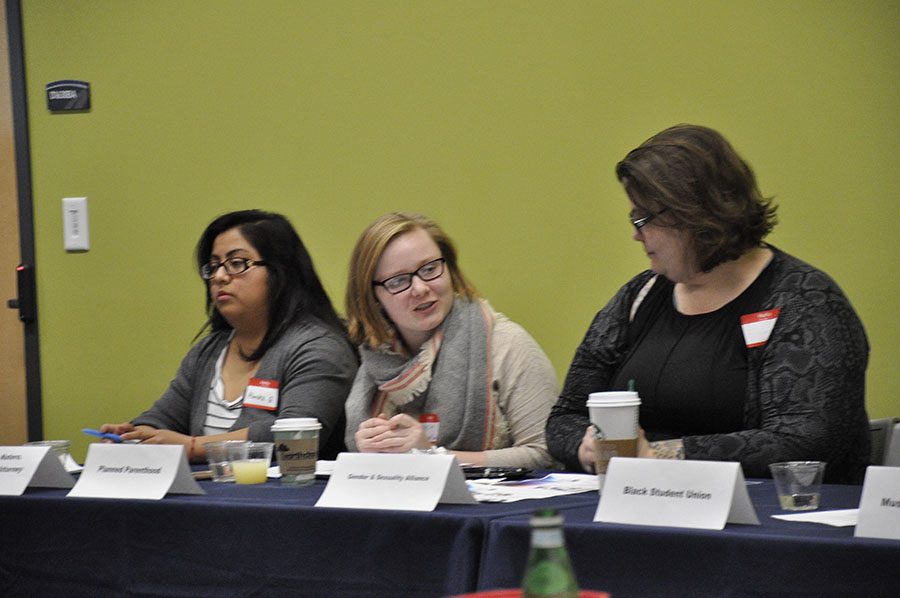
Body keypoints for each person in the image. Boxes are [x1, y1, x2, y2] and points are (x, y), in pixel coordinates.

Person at [546, 124, 870, 484]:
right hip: (638, 507)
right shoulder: (636, 298)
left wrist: (661, 455)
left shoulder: (805, 301)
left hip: (769, 523)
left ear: (695, 216)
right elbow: (566, 417)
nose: (635, 234)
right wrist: (585, 446)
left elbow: (806, 441)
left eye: (643, 219)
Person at [101, 210, 358, 461]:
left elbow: (295, 437)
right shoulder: (207, 352)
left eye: (237, 263)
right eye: (213, 267)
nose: (220, 277)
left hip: (288, 500)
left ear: (281, 272)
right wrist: (133, 435)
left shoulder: (320, 347)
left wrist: (193, 447)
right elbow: (163, 418)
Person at [343, 212, 558, 469]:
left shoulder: (508, 344)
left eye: (430, 269)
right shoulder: (378, 358)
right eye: (399, 281)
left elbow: (545, 455)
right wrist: (370, 451)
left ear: (450, 269)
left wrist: (432, 457)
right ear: (372, 296)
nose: (421, 288)